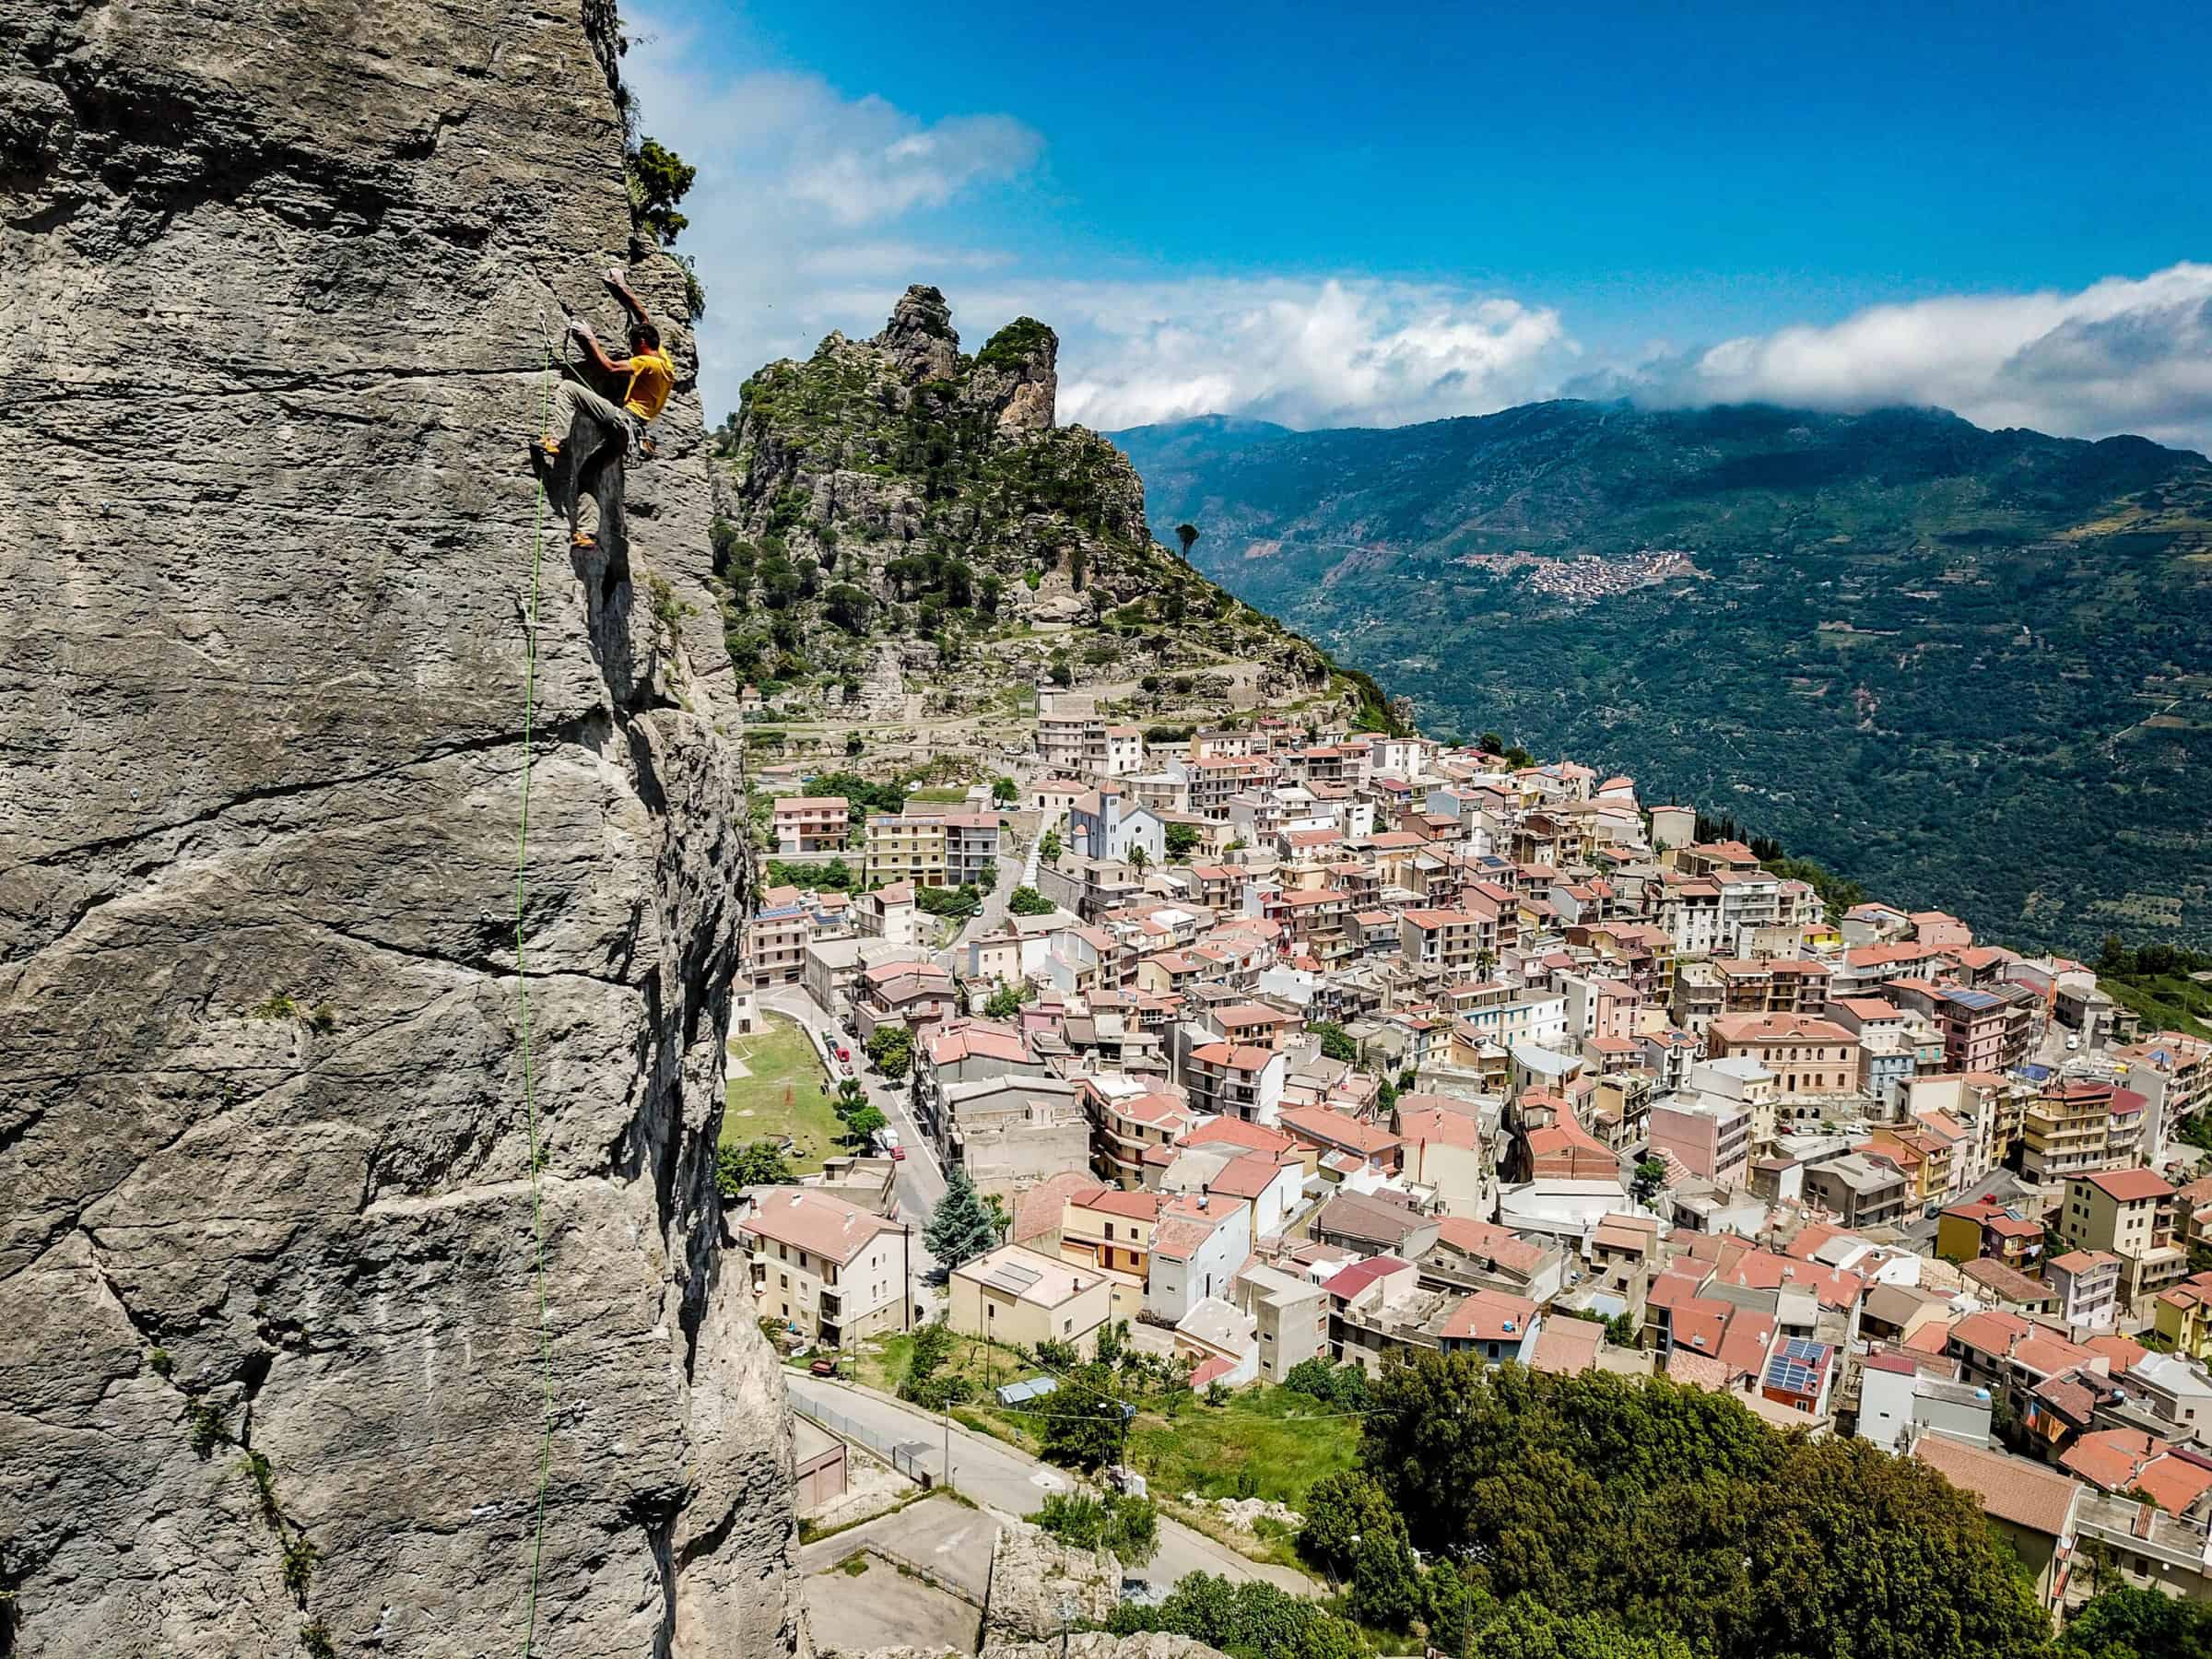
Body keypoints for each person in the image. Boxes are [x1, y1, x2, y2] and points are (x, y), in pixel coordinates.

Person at [534, 268, 676, 549]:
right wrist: (622, 289)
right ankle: (586, 533)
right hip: (629, 436)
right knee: (589, 473)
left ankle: (556, 441)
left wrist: (588, 338)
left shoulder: (647, 362)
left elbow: (609, 367)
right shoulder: (664, 362)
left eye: (635, 346)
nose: (632, 351)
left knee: (568, 390)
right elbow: (644, 318)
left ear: (643, 345)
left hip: (624, 422)